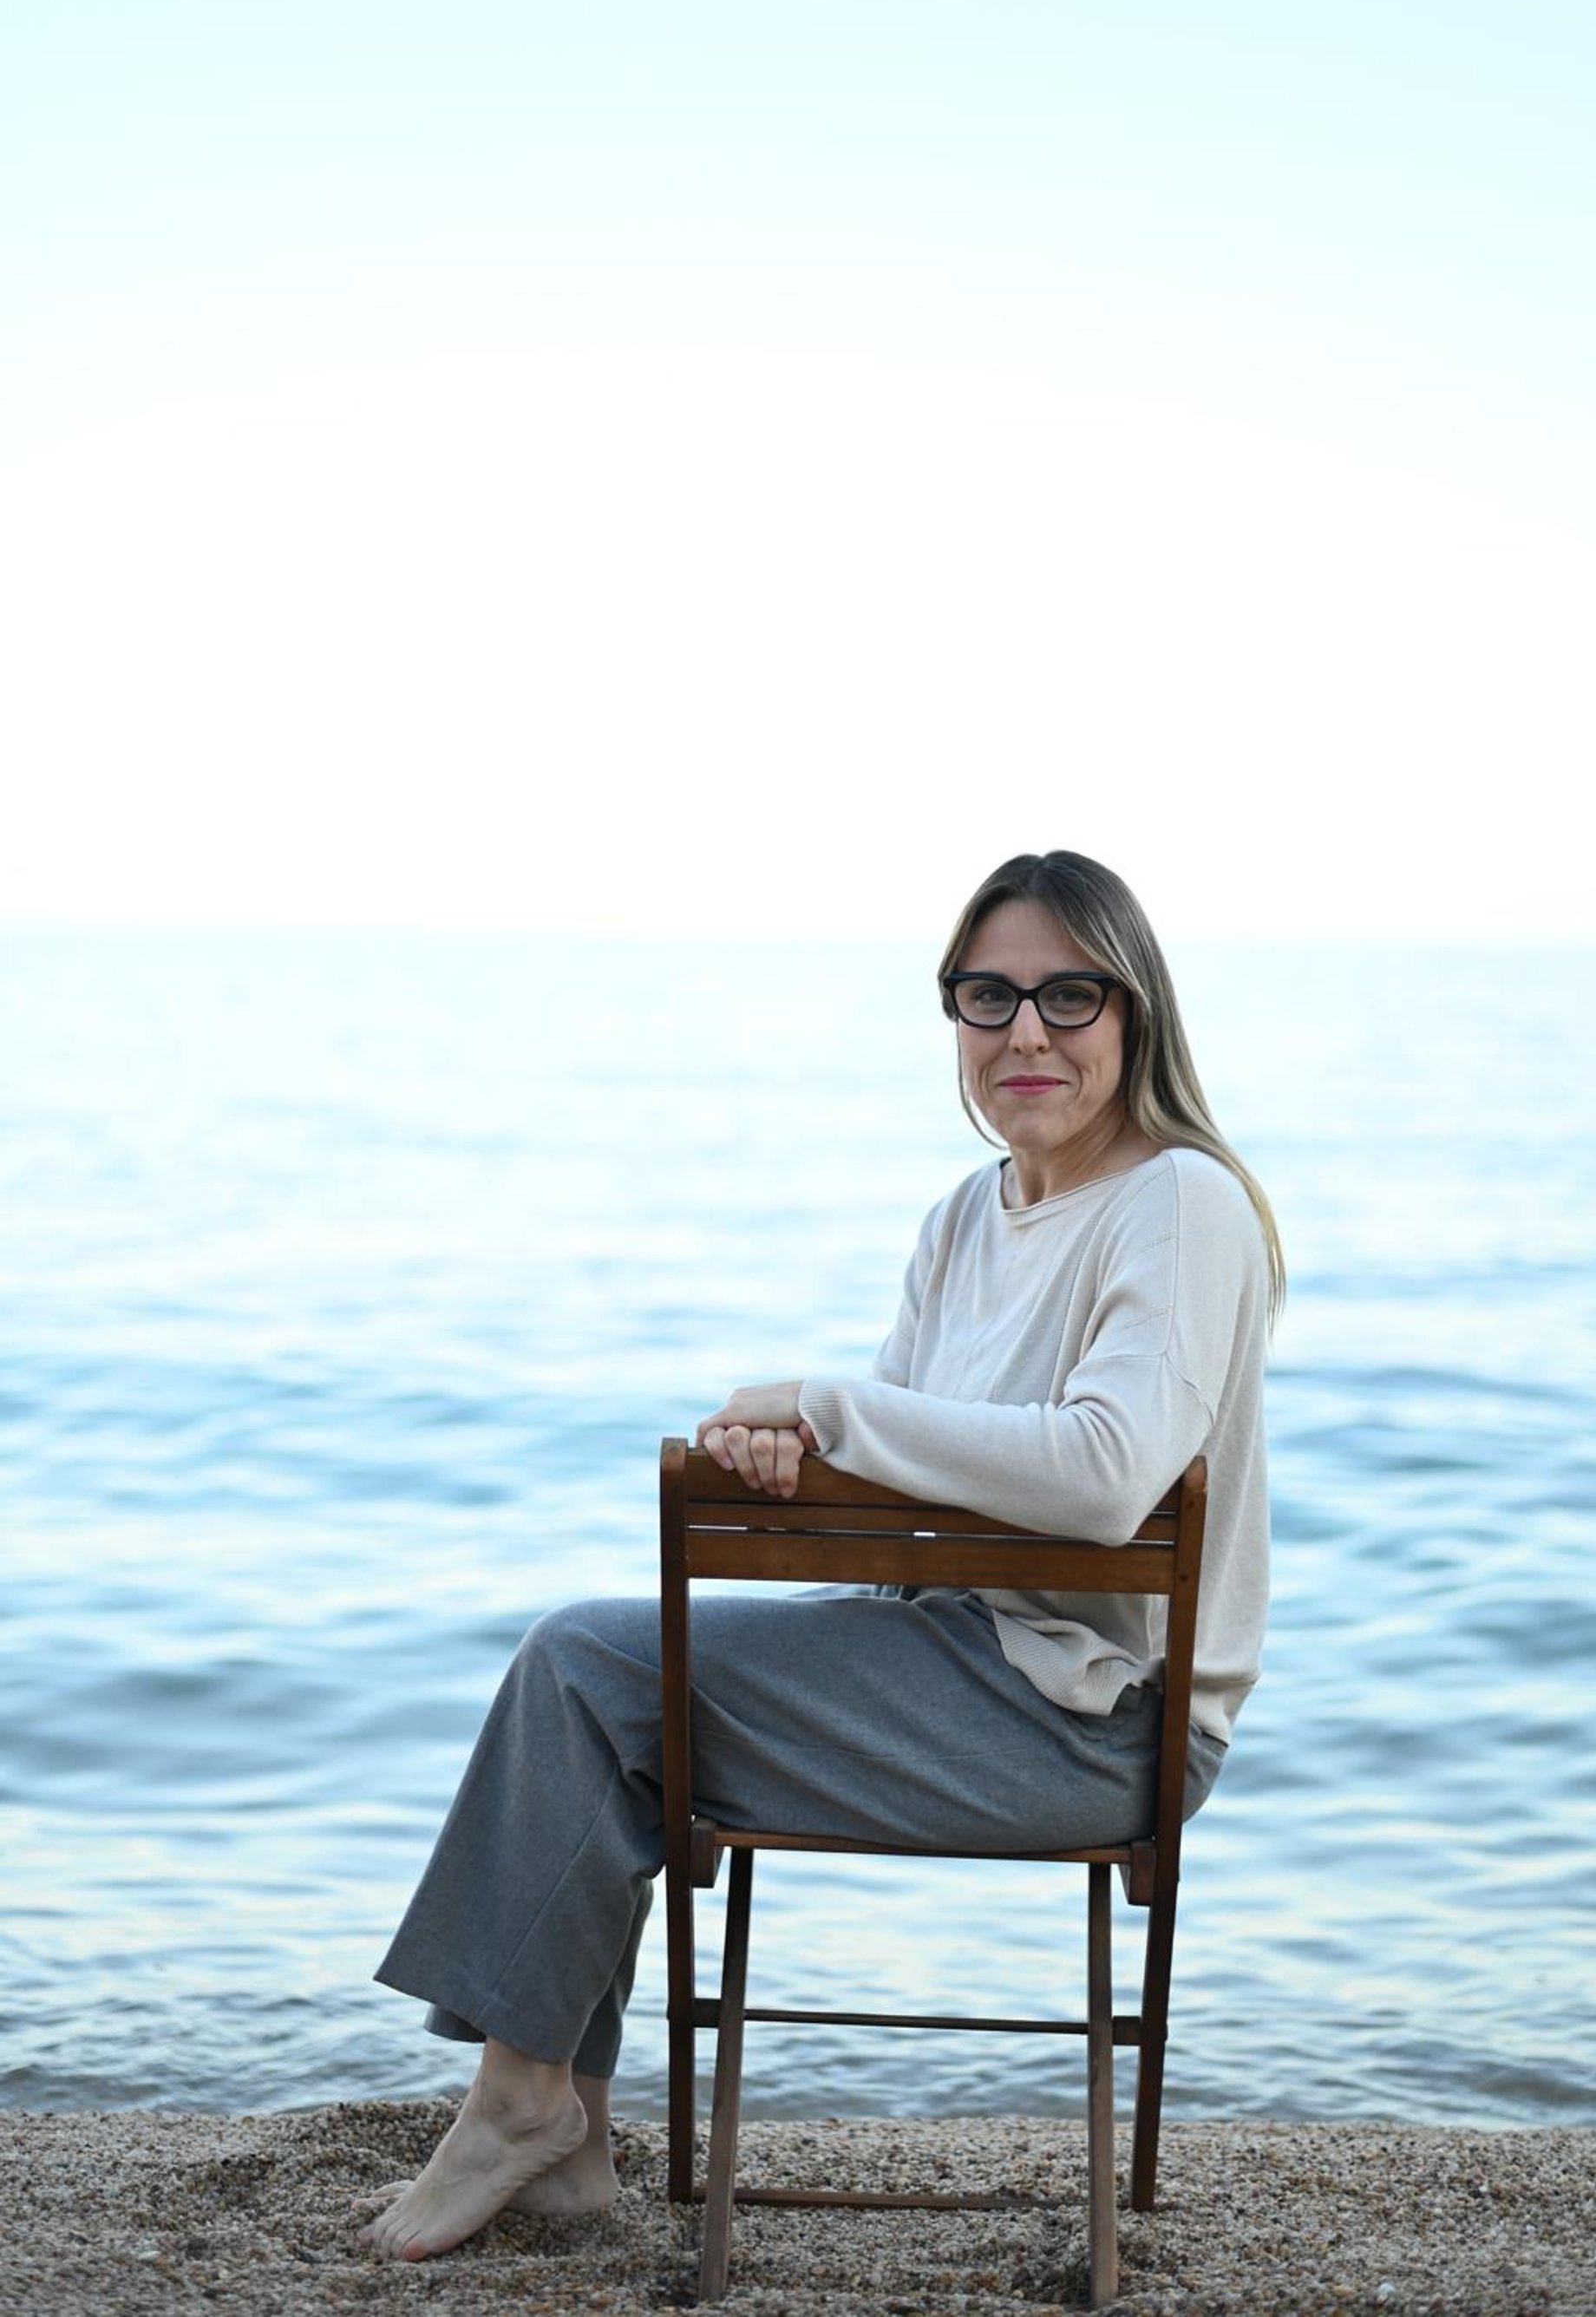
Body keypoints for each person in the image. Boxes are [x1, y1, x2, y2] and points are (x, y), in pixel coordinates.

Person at [360, 849, 1281, 2262]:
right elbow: (910, 1493)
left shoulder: (1180, 1202)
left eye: (1066, 996)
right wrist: (795, 1467)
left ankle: (526, 2108)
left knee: (587, 1667)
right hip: (948, 1669)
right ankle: (554, 2126)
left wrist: (829, 1405)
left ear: (1134, 1011)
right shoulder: (966, 1218)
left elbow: (1106, 1476)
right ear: (955, 1019)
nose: (1025, 1031)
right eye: (989, 996)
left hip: (1096, 1725)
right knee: (612, 1688)